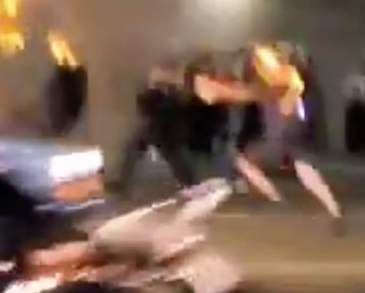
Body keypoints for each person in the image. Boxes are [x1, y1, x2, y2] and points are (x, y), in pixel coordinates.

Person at [193, 43, 345, 233]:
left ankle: (277, 200)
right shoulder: (289, 77)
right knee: (307, 172)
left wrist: (217, 91)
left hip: (283, 135)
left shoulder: (282, 79)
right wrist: (220, 88)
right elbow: (248, 89)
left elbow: (247, 93)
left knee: (242, 160)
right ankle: (335, 212)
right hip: (297, 134)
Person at [113, 58, 198, 196]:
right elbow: (146, 107)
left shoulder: (173, 93)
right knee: (136, 152)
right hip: (157, 128)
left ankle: (190, 185)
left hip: (164, 129)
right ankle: (123, 183)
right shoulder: (166, 92)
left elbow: (155, 108)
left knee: (175, 159)